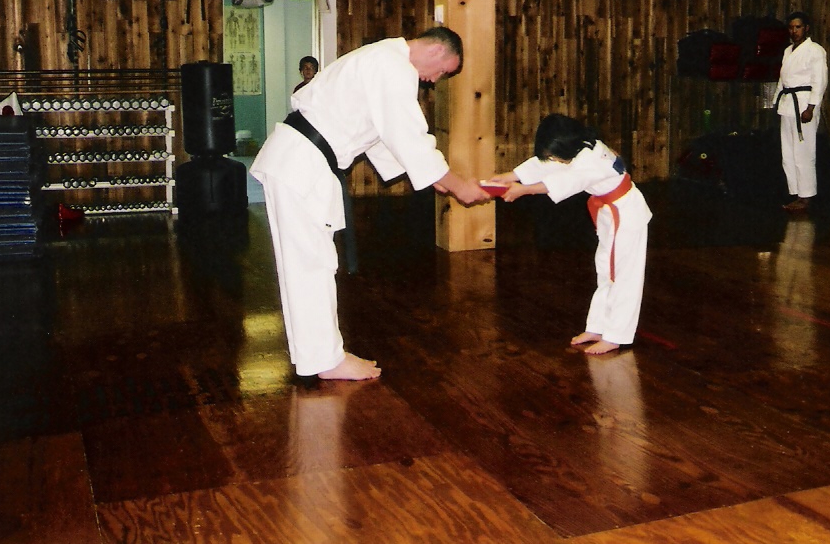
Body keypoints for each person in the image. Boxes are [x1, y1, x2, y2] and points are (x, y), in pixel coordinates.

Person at [251, 27, 489, 381]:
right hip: (301, 163)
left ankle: (319, 356)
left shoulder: (379, 58)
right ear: (438, 52)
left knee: (309, 264)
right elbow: (409, 137)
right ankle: (325, 360)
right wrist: (455, 185)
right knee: (310, 265)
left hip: (298, 159)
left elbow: (383, 138)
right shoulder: (394, 67)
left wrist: (438, 178)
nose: (435, 80)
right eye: (443, 72)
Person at [489, 114, 652, 355]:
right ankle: (598, 327)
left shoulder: (592, 160)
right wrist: (510, 177)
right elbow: (548, 164)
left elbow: (562, 180)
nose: (553, 158)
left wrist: (523, 190)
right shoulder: (583, 146)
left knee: (624, 275)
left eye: (554, 153)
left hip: (627, 215)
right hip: (610, 213)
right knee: (605, 269)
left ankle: (617, 335)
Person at [771, 11, 828, 212]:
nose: (794, 31)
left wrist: (811, 107)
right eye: (791, 27)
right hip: (787, 103)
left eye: (798, 27)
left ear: (807, 28)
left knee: (804, 151)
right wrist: (775, 102)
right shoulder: (788, 51)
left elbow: (819, 81)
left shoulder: (815, 50)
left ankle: (807, 196)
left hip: (803, 104)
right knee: (788, 152)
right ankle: (795, 192)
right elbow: (782, 80)